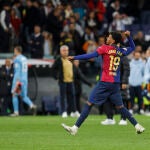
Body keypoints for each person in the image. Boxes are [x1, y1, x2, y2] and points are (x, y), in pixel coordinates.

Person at [62, 31, 145, 135]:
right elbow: (132, 47)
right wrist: (129, 36)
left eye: (109, 37)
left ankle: (75, 128)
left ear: (113, 40)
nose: (107, 38)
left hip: (105, 82)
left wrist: (75, 57)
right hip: (115, 84)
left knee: (89, 103)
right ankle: (137, 126)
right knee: (120, 107)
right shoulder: (121, 51)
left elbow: (90, 55)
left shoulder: (104, 48)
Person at [101, 56, 130, 125]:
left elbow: (126, 69)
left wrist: (124, 81)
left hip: (120, 82)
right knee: (107, 98)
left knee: (122, 99)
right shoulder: (109, 54)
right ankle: (110, 118)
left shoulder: (123, 56)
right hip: (109, 81)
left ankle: (123, 119)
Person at [52, 45, 79, 118]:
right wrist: (56, 77)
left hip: (71, 81)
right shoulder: (58, 59)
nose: (65, 52)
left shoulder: (70, 58)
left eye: (66, 50)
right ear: (60, 52)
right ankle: (63, 111)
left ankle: (73, 111)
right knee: (63, 97)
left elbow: (74, 69)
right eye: (63, 51)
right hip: (63, 81)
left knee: (72, 97)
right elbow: (53, 69)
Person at [11, 46, 36, 116]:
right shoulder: (24, 58)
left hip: (18, 79)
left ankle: (16, 112)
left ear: (16, 51)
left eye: (14, 50)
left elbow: (18, 71)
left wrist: (17, 81)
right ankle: (31, 105)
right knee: (24, 96)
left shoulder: (17, 59)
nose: (14, 52)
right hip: (25, 79)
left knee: (14, 95)